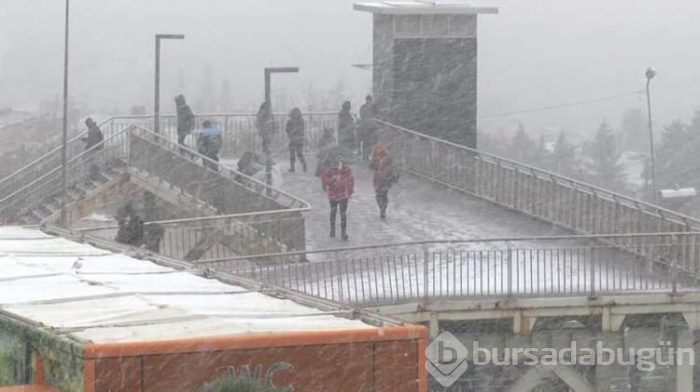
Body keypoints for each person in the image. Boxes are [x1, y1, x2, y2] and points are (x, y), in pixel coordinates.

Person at [321, 162, 354, 241]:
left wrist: (350, 191)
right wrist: (333, 180)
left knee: (343, 214)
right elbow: (325, 180)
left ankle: (343, 233)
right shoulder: (329, 170)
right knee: (333, 213)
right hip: (333, 195)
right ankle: (332, 230)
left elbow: (351, 181)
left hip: (343, 195)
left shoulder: (347, 170)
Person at [370, 141, 400, 220]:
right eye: (377, 148)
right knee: (380, 194)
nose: (378, 150)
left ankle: (383, 209)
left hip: (385, 178)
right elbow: (371, 167)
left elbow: (392, 166)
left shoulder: (387, 157)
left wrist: (386, 171)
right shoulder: (375, 157)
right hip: (378, 178)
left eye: (379, 148)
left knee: (383, 194)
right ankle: (382, 209)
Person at [285, 108, 307, 173]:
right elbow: (301, 130)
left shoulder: (289, 121)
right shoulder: (301, 121)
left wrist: (291, 133)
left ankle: (292, 168)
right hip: (299, 139)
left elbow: (287, 130)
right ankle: (304, 166)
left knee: (292, 155)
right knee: (300, 154)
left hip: (292, 139)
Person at [358, 95, 377, 162]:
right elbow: (376, 115)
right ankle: (370, 157)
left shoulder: (363, 107)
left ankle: (365, 157)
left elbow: (361, 116)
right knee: (371, 143)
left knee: (366, 143)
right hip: (371, 128)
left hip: (365, 128)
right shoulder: (373, 107)